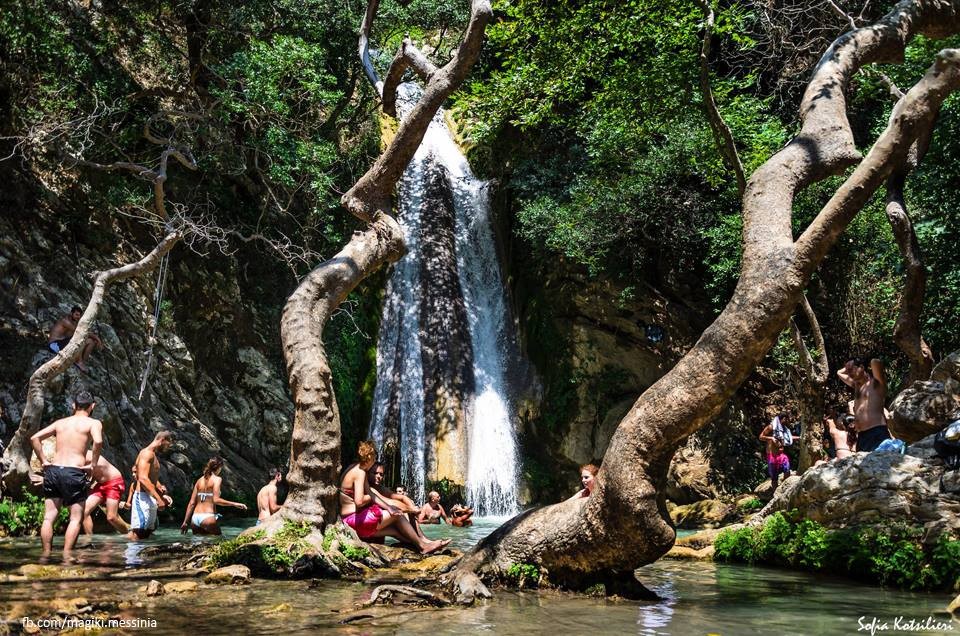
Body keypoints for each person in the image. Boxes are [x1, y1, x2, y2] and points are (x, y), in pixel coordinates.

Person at [29, 390, 103, 559]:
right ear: (92, 406)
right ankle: (67, 557)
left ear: (73, 405)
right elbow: (98, 441)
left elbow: (34, 438)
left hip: (54, 471)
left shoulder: (60, 423)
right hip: (73, 472)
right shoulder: (93, 423)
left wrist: (44, 461)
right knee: (75, 519)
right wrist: (93, 464)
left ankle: (45, 555)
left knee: (49, 518)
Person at [339, 440, 448, 554]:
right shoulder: (360, 472)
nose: (374, 461)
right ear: (370, 457)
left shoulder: (356, 468)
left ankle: (426, 544)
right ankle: (423, 546)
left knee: (395, 530)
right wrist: (373, 500)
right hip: (353, 521)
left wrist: (388, 507)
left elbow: (371, 494)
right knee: (397, 515)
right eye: (374, 458)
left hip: (350, 522)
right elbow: (359, 501)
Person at [181, 457, 247, 535]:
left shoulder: (199, 480)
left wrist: (185, 522)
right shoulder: (217, 479)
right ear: (219, 468)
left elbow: (191, 503)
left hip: (195, 518)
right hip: (207, 517)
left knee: (200, 542)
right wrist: (235, 504)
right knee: (219, 540)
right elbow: (216, 500)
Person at [838, 358, 892, 452]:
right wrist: (848, 366)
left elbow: (875, 362)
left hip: (876, 433)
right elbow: (839, 373)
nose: (849, 373)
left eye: (851, 369)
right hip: (862, 436)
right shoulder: (856, 386)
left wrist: (860, 360)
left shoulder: (876, 383)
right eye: (847, 370)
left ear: (862, 367)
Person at [128, 431, 175, 540]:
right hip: (142, 498)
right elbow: (143, 478)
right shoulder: (147, 453)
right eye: (168, 445)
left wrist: (160, 492)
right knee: (138, 534)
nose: (167, 448)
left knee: (147, 533)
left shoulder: (152, 455)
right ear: (162, 440)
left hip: (149, 497)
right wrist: (158, 499)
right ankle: (125, 551)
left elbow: (148, 477)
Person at [367, 463, 424, 537]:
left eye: (381, 474)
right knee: (399, 513)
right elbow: (389, 502)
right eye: (375, 473)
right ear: (368, 473)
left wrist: (412, 508)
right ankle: (420, 540)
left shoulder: (380, 488)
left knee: (407, 513)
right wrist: (411, 509)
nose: (378, 476)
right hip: (367, 526)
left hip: (378, 523)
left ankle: (421, 538)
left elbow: (402, 497)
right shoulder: (369, 488)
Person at [82, 451, 129, 535]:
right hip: (100, 484)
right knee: (84, 512)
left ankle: (128, 535)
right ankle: (89, 539)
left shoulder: (84, 454)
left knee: (111, 517)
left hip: (113, 482)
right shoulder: (77, 456)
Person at [48, 306, 103, 371]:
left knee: (91, 341)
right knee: (81, 338)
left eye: (79, 315)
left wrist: (96, 339)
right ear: (71, 313)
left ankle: (82, 362)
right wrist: (97, 339)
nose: (78, 317)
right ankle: (79, 362)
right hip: (54, 345)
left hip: (61, 343)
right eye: (76, 315)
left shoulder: (73, 322)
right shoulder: (66, 321)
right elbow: (82, 332)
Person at [759, 414, 791, 489]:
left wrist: (800, 437)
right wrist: (771, 438)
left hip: (781, 454)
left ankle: (785, 488)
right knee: (774, 476)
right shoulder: (771, 427)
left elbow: (789, 438)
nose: (787, 421)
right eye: (785, 419)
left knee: (787, 469)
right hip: (772, 455)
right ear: (781, 419)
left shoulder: (783, 429)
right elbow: (761, 437)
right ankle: (775, 493)